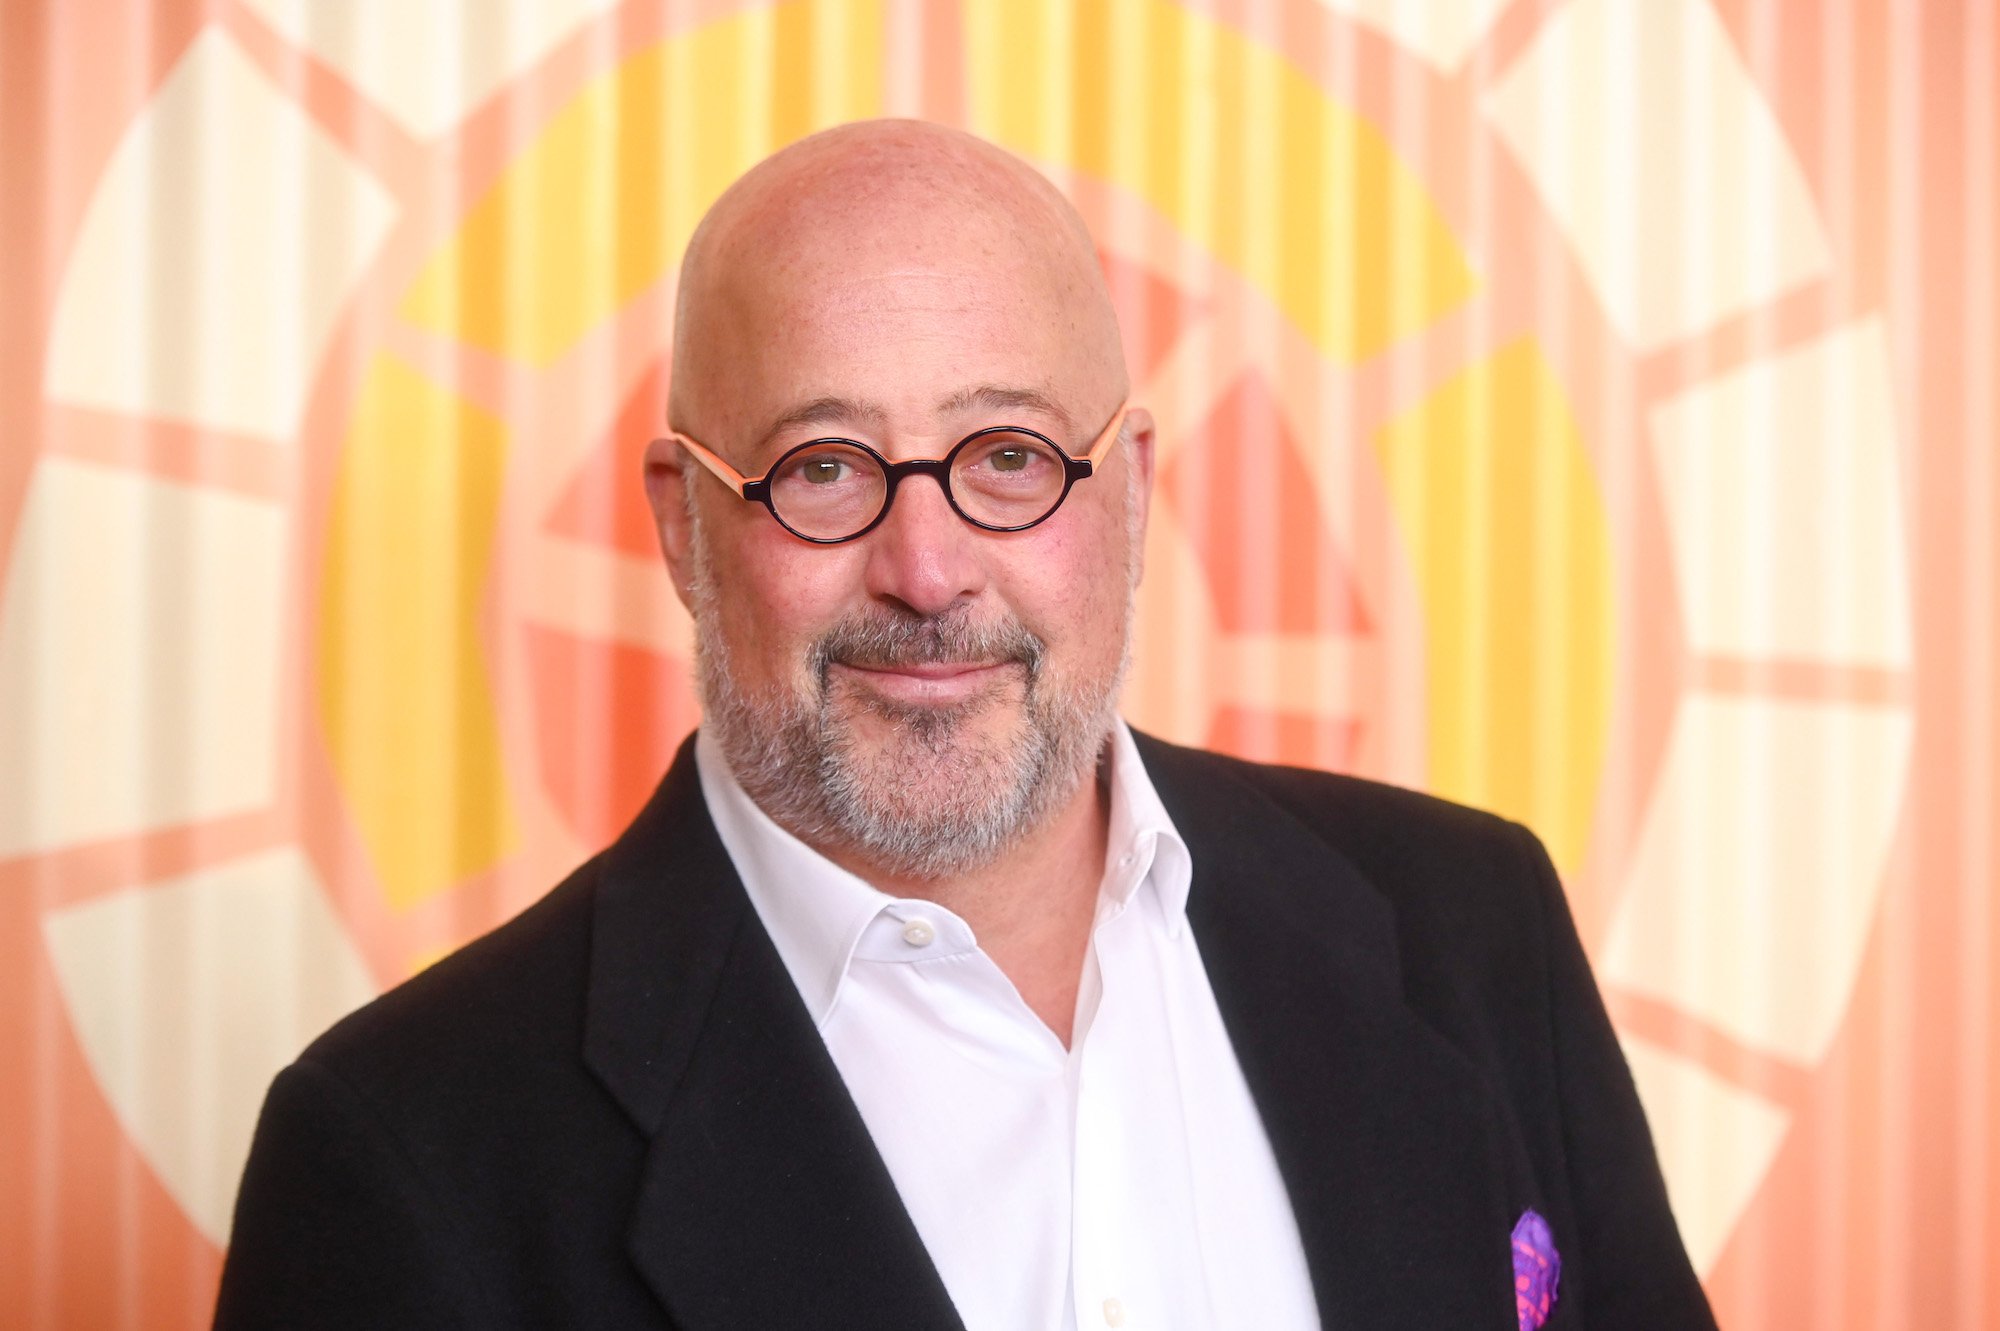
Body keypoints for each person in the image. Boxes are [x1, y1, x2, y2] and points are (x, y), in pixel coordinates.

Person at [214, 120, 1715, 1330]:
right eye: (821, 467)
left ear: (1125, 492)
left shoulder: (1470, 927)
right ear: (683, 527)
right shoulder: (403, 1161)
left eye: (1007, 455)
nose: (926, 569)